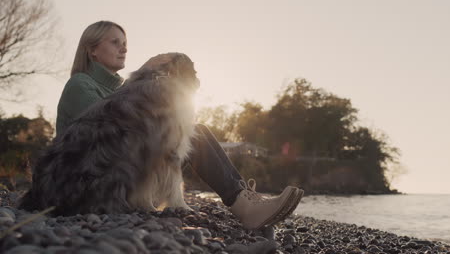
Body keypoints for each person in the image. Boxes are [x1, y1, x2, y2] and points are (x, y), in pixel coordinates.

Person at [56, 20, 303, 230]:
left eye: (125, 44)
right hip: (85, 185)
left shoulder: (118, 89)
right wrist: (141, 75)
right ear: (92, 51)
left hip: (117, 176)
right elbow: (107, 128)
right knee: (191, 134)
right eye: (115, 43)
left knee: (195, 129)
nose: (124, 50)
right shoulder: (80, 85)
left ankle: (244, 200)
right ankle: (244, 205)